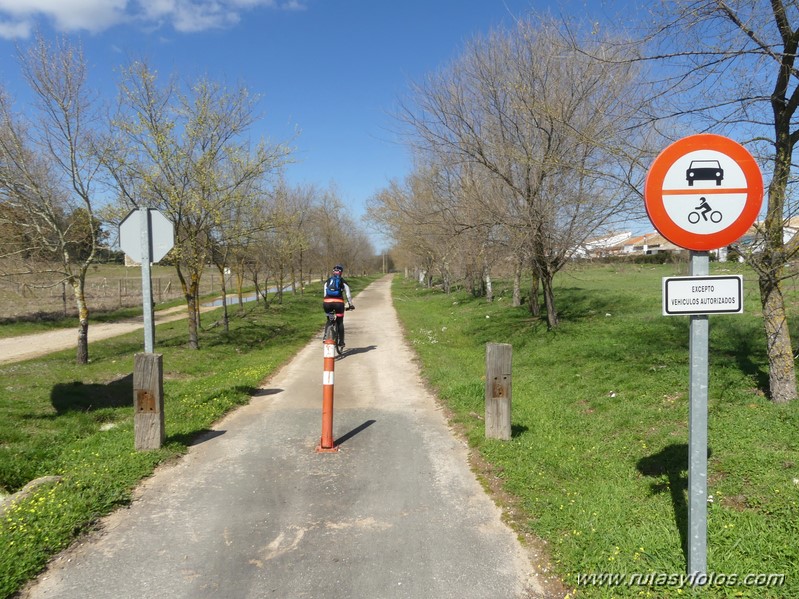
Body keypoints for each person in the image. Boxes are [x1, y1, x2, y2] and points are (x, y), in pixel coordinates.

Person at [322, 265, 354, 347]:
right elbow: (348, 295)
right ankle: (341, 342)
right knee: (340, 322)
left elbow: (325, 294)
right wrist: (350, 305)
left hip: (327, 303)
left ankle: (325, 336)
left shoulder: (327, 281)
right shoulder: (343, 281)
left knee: (329, 319)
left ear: (333, 272)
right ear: (341, 272)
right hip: (338, 304)